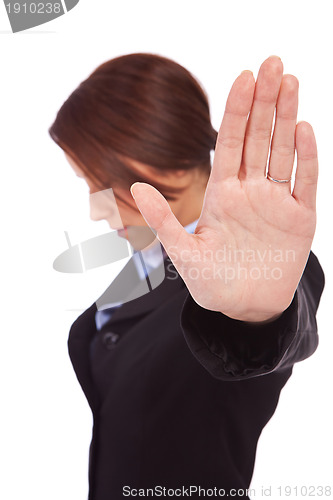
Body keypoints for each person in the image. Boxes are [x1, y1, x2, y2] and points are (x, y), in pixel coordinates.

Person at [49, 53, 325, 500]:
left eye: (101, 182)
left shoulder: (262, 270)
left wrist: (255, 315)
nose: (94, 210)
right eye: (85, 184)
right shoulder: (145, 265)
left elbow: (270, 333)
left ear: (168, 163)